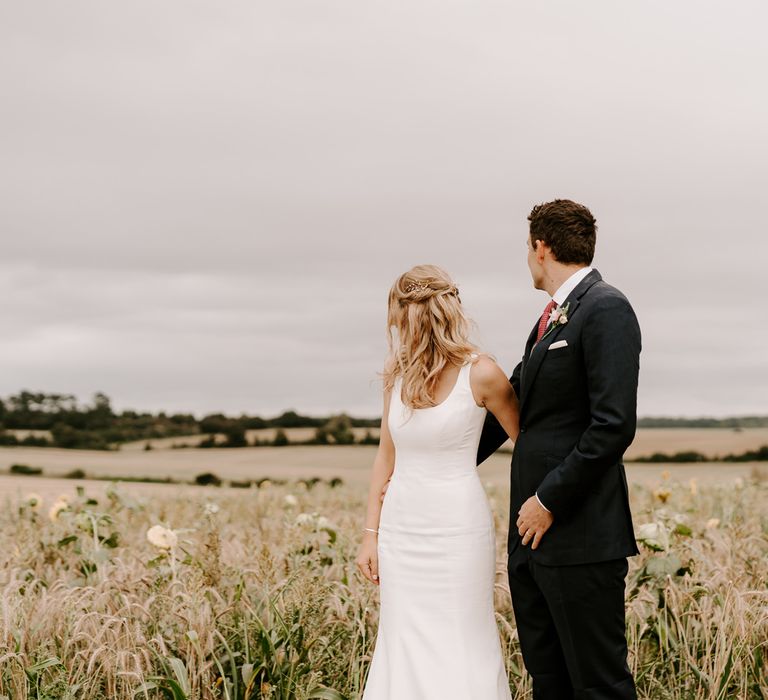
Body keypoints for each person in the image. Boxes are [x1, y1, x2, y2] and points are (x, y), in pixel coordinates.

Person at [476, 199, 641, 699]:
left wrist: (548, 501)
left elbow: (613, 426)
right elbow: (513, 403)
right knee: (550, 682)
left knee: (598, 685)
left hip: (580, 537)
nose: (527, 258)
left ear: (540, 247)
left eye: (528, 248)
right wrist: (436, 462)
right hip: (531, 546)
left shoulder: (606, 307)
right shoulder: (550, 319)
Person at [356, 263, 520, 700]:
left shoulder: (482, 373)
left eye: (403, 315)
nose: (398, 326)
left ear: (428, 315)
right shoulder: (396, 374)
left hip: (458, 530)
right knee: (402, 639)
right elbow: (385, 457)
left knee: (462, 638)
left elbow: (530, 447)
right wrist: (369, 536)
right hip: (400, 530)